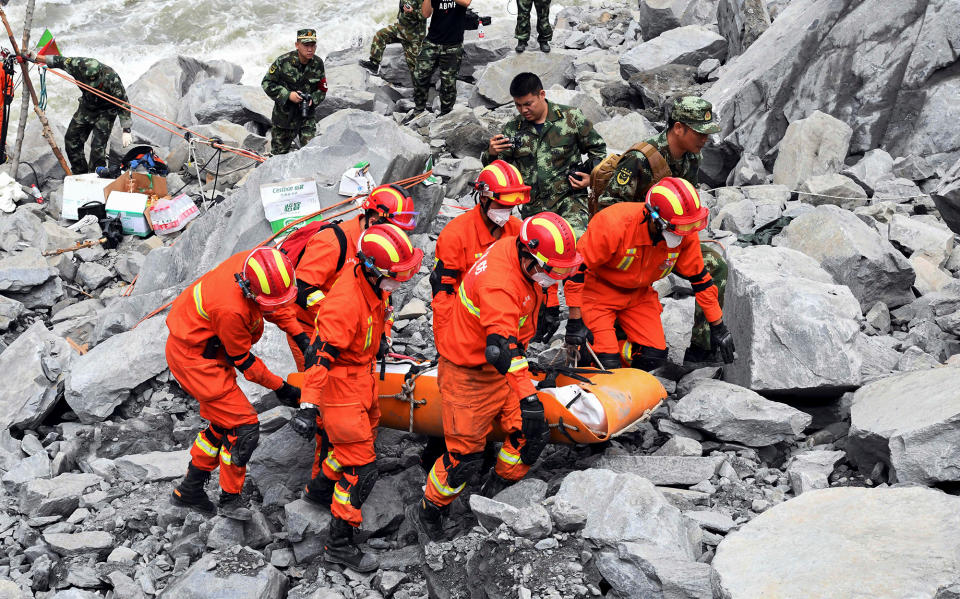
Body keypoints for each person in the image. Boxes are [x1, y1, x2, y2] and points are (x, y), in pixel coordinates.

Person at [412, 212, 582, 542]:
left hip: (499, 369)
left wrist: (548, 304)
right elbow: (500, 348)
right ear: (528, 255)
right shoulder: (499, 285)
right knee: (463, 457)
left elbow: (508, 346)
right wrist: (529, 397)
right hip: (468, 373)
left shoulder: (513, 247)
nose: (554, 278)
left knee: (531, 436)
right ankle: (429, 510)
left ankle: (494, 493)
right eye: (552, 271)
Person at [291, 224, 424, 572]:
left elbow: (376, 316)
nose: (400, 281)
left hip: (360, 380)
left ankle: (319, 491)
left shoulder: (370, 283)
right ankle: (339, 544)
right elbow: (319, 357)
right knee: (362, 469)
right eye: (395, 275)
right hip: (340, 388)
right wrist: (308, 405)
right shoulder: (345, 302)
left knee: (353, 446)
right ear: (371, 267)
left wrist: (379, 339)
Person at [167, 248, 306, 519]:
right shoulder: (230, 309)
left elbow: (275, 305)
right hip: (196, 361)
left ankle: (189, 489)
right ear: (249, 290)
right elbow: (246, 363)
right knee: (244, 426)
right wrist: (281, 388)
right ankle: (230, 499)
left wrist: (299, 334)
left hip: (207, 350)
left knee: (223, 422)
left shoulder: (258, 268)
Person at [481, 72, 606, 343]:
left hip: (568, 200)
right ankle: (545, 309)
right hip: (533, 209)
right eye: (517, 105)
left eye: (528, 104)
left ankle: (576, 314)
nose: (523, 110)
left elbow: (598, 151)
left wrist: (590, 177)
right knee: (537, 258)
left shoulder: (571, 119)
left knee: (577, 248)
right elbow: (496, 170)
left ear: (542, 95)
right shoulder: (513, 129)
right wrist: (489, 153)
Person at [422, 159, 529, 469]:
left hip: (501, 327)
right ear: (482, 197)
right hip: (465, 331)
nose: (507, 211)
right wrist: (449, 345)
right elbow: (442, 294)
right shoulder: (457, 235)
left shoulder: (517, 231)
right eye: (501, 204)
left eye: (511, 205)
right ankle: (438, 448)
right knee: (459, 399)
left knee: (501, 392)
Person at [566, 177, 735, 372]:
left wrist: (718, 326)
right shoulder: (614, 224)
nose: (684, 233)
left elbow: (701, 281)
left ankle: (616, 350)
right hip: (598, 293)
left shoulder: (683, 233)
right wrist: (574, 320)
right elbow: (575, 271)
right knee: (607, 362)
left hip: (639, 295)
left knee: (653, 357)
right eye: (680, 227)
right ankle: (591, 348)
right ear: (655, 218)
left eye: (688, 227)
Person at [282, 184, 417, 372]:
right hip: (314, 330)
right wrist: (344, 319)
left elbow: (383, 299)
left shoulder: (381, 248)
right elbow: (303, 289)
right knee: (322, 388)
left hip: (353, 332)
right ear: (374, 221)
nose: (396, 237)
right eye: (393, 229)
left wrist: (381, 336)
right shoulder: (333, 242)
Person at [596, 96, 720, 211]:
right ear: (678, 128)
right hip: (634, 226)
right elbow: (609, 206)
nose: (705, 139)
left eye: (707, 133)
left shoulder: (693, 156)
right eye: (699, 133)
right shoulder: (639, 158)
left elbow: (687, 196)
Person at [28, 54, 133, 174]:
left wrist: (126, 130)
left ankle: (97, 175)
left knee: (97, 149)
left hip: (106, 111)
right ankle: (80, 173)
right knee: (71, 140)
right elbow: (58, 60)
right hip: (87, 106)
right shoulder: (75, 65)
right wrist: (35, 57)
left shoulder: (111, 77)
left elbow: (123, 103)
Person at [261, 29, 327, 155]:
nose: (310, 49)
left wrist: (313, 99)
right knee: (278, 157)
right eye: (306, 45)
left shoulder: (318, 63)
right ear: (297, 45)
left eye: (312, 46)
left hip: (307, 117)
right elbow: (267, 83)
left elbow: (322, 89)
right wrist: (287, 95)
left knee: (310, 153)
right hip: (284, 118)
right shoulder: (283, 62)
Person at [412, 0, 472, 117]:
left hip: (453, 44)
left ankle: (445, 114)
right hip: (432, 42)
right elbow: (425, 14)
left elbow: (466, 2)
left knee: (448, 83)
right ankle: (418, 110)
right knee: (419, 75)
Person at [359, 0, 427, 78]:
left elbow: (424, 15)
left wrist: (412, 11)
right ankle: (374, 64)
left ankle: (426, 85)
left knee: (415, 68)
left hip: (413, 36)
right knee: (380, 35)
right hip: (400, 29)